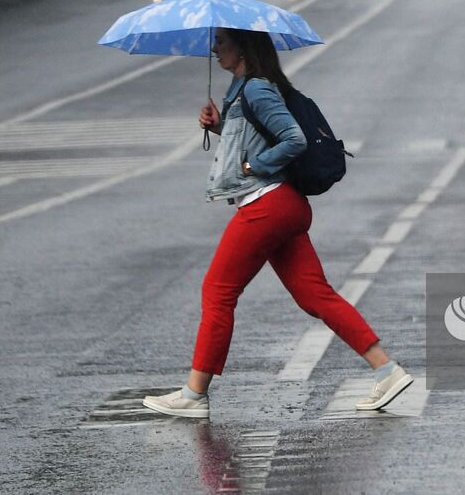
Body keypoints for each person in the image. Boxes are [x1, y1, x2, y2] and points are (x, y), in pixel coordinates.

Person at [142, 27, 413, 419]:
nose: (215, 48)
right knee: (314, 296)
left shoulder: (257, 89)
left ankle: (194, 393)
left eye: (222, 42)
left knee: (218, 291)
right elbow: (257, 137)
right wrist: (220, 126)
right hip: (283, 205)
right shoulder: (243, 89)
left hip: (267, 204)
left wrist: (256, 166)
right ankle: (387, 371)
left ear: (244, 47)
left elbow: (293, 139)